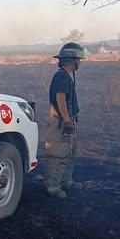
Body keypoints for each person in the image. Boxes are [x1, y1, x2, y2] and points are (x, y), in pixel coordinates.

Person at [43, 42, 86, 199]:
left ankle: (65, 181)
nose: (80, 62)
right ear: (72, 60)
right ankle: (52, 187)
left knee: (69, 153)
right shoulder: (61, 77)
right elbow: (60, 99)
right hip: (60, 121)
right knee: (58, 154)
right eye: (79, 59)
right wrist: (67, 121)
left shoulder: (66, 76)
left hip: (67, 119)